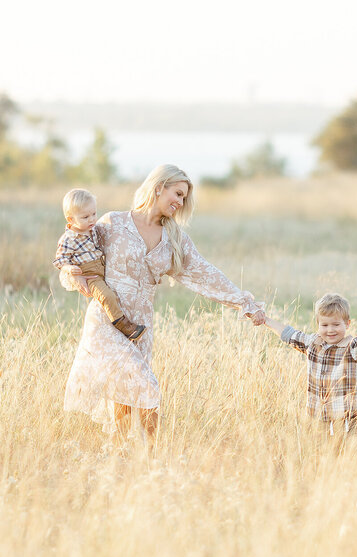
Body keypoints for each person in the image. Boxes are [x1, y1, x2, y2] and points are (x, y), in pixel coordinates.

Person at [60, 164, 265, 441]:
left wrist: (243, 302)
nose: (180, 203)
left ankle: (130, 459)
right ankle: (151, 455)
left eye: (184, 198)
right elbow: (77, 250)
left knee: (127, 394)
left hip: (141, 325)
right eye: (177, 194)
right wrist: (72, 274)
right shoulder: (112, 223)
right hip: (107, 319)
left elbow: (206, 275)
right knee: (146, 386)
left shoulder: (175, 239)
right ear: (158, 187)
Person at [258, 293, 357, 438]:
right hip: (319, 417)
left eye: (336, 324)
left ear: (348, 324)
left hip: (348, 419)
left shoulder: (352, 346)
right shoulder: (313, 343)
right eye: (324, 325)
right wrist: (265, 320)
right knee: (322, 453)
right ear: (318, 325)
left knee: (348, 452)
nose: (330, 330)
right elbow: (288, 334)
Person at [53, 188, 145, 341]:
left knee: (119, 291)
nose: (91, 219)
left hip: (103, 266)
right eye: (85, 217)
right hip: (90, 275)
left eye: (94, 214)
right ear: (71, 220)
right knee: (106, 295)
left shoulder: (92, 229)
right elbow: (60, 259)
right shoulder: (68, 239)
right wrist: (70, 269)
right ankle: (124, 326)